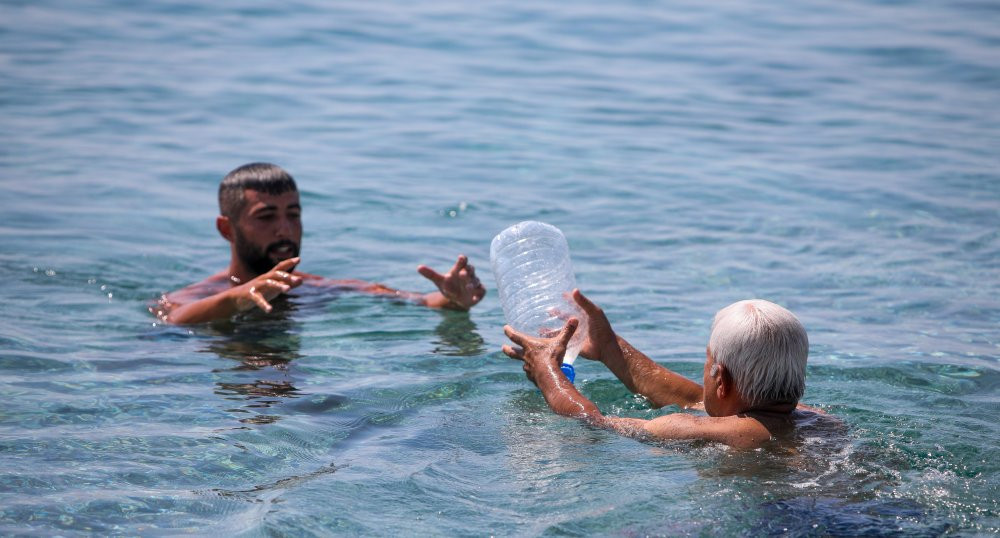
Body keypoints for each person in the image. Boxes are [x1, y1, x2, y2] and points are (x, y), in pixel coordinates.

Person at [152, 162, 486, 324]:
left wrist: (451, 299)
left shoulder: (310, 287)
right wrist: (240, 297)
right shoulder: (197, 296)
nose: (285, 229)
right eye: (266, 217)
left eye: (293, 214)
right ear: (227, 229)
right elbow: (174, 319)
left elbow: (413, 300)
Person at [502, 290, 822, 449]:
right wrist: (612, 348)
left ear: (720, 379)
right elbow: (699, 400)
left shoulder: (703, 431)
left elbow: (592, 422)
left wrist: (548, 374)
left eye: (708, 362)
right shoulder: (817, 420)